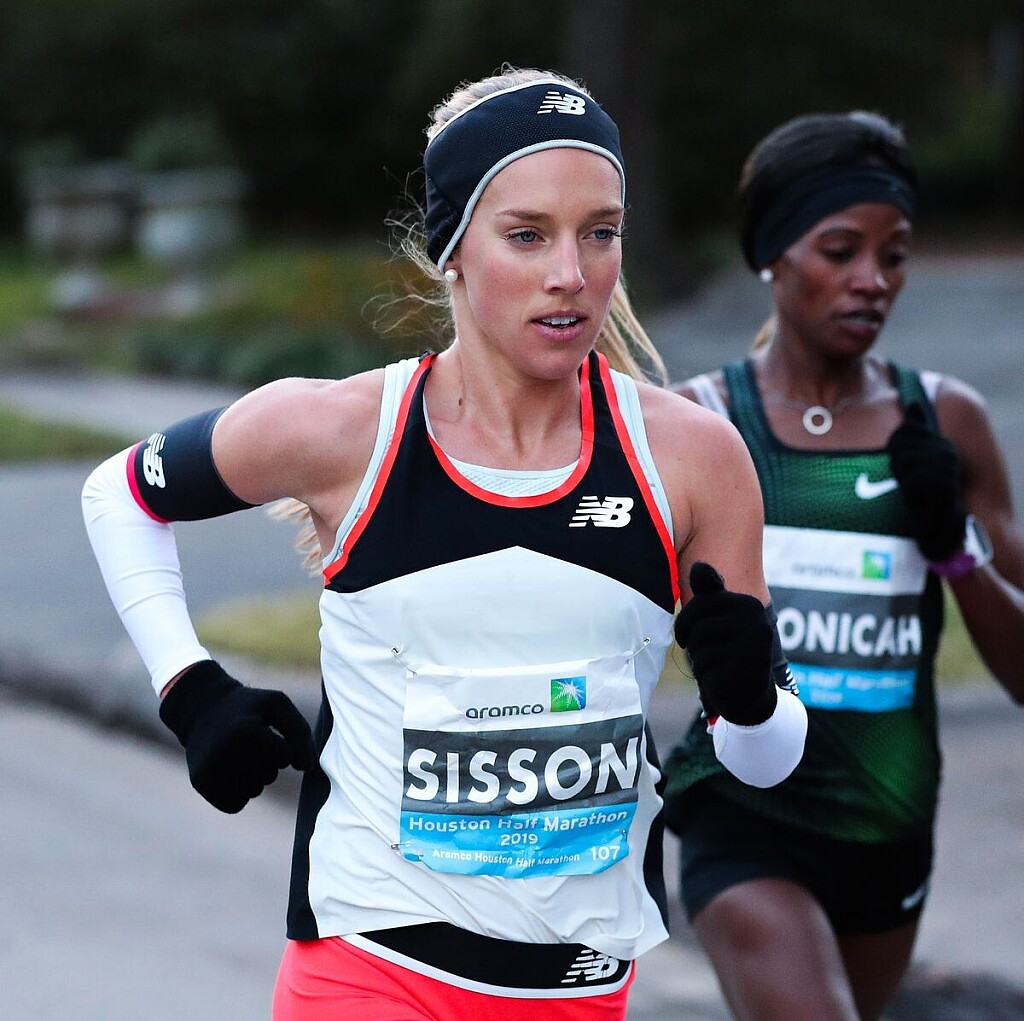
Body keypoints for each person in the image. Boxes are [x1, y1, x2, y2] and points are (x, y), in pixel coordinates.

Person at [82, 68, 806, 1021]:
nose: (571, 273)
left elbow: (765, 758)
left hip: (579, 988)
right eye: (527, 235)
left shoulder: (692, 457)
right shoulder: (347, 430)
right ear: (452, 246)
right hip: (368, 969)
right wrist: (190, 687)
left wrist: (750, 701)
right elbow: (121, 493)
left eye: (600, 231)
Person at [662, 110, 1024, 1021]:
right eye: (840, 250)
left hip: (888, 825)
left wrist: (954, 546)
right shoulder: (697, 420)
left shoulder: (945, 419)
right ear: (772, 254)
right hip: (743, 817)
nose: (872, 279)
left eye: (893, 256)